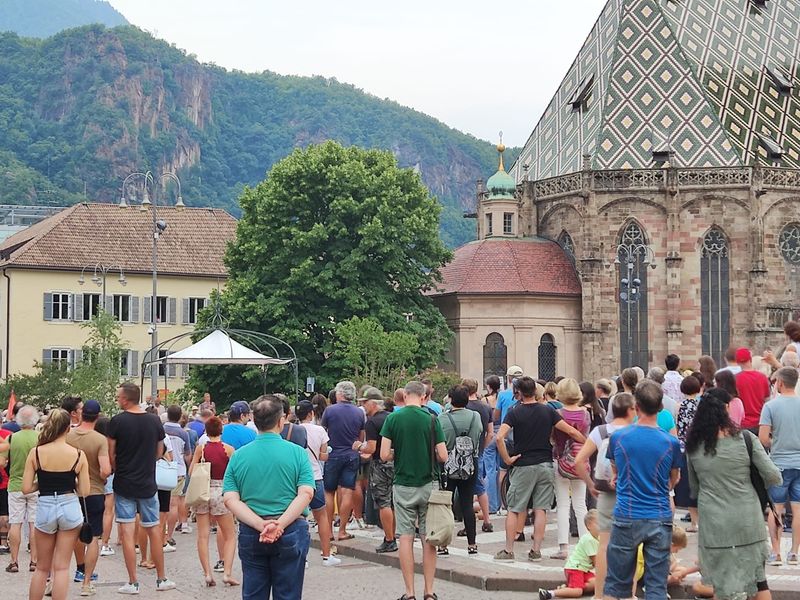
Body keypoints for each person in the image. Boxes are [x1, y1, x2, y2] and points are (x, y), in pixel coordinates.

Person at [687, 389, 781, 600]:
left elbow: (694, 488)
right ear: (727, 409)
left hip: (714, 525)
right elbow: (773, 476)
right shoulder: (745, 439)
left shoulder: (693, 447)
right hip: (747, 519)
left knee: (721, 586)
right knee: (760, 581)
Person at [223, 395, 315, 600]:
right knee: (289, 594)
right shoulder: (297, 453)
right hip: (291, 528)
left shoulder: (239, 456)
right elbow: (306, 493)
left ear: (254, 421)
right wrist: (279, 524)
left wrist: (259, 524)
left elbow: (230, 498)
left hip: (252, 530)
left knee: (253, 593)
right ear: (281, 420)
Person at [603, 380, 682, 600]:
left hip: (627, 513)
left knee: (616, 584)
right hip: (658, 514)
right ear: (660, 407)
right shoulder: (670, 442)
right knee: (656, 585)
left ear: (636, 405)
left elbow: (615, 471)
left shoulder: (619, 437)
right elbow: (674, 479)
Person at [494, 376, 586, 562]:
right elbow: (570, 431)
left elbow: (499, 437)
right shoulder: (548, 411)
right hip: (545, 463)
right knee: (541, 509)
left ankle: (508, 549)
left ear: (518, 393)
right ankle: (536, 550)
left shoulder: (514, 412)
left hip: (523, 464)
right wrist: (589, 445)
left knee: (514, 508)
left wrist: (507, 458)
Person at [380, 380, 447, 600]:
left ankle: (410, 592)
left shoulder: (393, 418)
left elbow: (383, 455)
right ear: (424, 396)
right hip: (429, 484)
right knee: (429, 539)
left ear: (405, 395)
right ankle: (429, 591)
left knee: (406, 538)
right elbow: (443, 455)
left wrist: (395, 454)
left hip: (403, 485)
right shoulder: (432, 419)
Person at [108, 382, 175, 593]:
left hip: (124, 481)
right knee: (154, 529)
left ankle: (133, 582)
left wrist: (119, 467)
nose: (117, 400)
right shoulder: (154, 420)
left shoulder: (117, 422)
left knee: (127, 532)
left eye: (119, 397)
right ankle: (161, 578)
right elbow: (159, 450)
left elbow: (111, 454)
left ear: (126, 399)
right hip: (147, 482)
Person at [22, 409, 89, 600]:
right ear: (68, 428)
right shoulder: (78, 454)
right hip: (69, 505)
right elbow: (84, 491)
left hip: (45, 505)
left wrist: (41, 483)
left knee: (42, 568)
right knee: (61, 567)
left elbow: (26, 488)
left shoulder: (36, 453)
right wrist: (72, 482)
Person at [575, 393, 635, 600]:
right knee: (632, 545)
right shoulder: (634, 432)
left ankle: (600, 595)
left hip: (606, 493)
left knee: (604, 544)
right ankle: (629, 594)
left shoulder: (600, 431)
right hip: (630, 494)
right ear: (630, 410)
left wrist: (590, 484)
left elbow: (579, 460)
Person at [66, 400, 111, 594]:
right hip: (93, 491)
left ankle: (79, 567)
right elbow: (105, 470)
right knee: (92, 536)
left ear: (81, 414)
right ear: (98, 416)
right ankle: (86, 582)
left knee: (74, 532)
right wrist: (101, 476)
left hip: (71, 490)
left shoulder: (68, 436)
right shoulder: (100, 439)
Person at [188, 416, 239, 587]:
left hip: (203, 490)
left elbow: (191, 472)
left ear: (206, 431)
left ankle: (208, 573)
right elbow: (235, 474)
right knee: (230, 535)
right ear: (221, 430)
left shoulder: (200, 449)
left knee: (202, 535)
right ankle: (227, 572)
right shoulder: (229, 449)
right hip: (221, 490)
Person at [759, 367, 800, 566]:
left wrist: (776, 441)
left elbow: (763, 438)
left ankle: (776, 552)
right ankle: (794, 552)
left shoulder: (771, 407)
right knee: (798, 510)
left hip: (779, 463)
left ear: (780, 383)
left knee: (776, 509)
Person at [437, 384, 482, 556]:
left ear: (450, 399)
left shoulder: (442, 418)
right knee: (467, 503)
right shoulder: (475, 417)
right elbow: (479, 435)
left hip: (448, 463)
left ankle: (443, 544)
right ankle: (472, 544)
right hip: (470, 462)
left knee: (445, 503)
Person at [296, 401, 340, 564]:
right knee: (321, 516)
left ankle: (302, 557)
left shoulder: (294, 431)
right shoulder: (319, 430)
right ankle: (327, 555)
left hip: (298, 479)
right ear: (311, 414)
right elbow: (324, 456)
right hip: (315, 477)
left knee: (300, 518)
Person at [552, 378, 591, 560]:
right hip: (581, 460)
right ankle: (585, 545)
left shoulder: (557, 413)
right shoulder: (585, 414)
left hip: (561, 460)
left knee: (562, 504)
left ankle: (563, 547)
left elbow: (552, 437)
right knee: (580, 504)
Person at [321, 380, 364, 541]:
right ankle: (342, 530)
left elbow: (323, 433)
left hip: (333, 454)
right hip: (351, 455)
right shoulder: (359, 412)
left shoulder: (330, 411)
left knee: (328, 491)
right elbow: (361, 437)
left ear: (340, 393)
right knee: (347, 491)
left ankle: (329, 531)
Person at [358, 393, 396, 554]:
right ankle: (393, 534)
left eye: (365, 403)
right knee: (393, 501)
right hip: (395, 462)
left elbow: (371, 448)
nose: (363, 406)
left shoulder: (372, 423)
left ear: (374, 403)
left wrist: (359, 446)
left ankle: (389, 539)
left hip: (380, 464)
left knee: (383, 501)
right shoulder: (392, 417)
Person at [6, 405, 40, 574]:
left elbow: (2, 462)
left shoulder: (12, 439)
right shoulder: (40, 438)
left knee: (15, 523)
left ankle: (14, 561)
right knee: (34, 524)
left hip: (16, 485)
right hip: (35, 485)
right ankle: (34, 561)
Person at [538, 510, 600, 599]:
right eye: (598, 524)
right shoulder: (589, 539)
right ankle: (550, 593)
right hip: (575, 568)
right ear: (589, 526)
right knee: (578, 592)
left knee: (597, 583)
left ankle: (568, 588)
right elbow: (597, 562)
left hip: (584, 570)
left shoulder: (598, 537)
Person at [494, 365, 524, 513]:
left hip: (506, 436)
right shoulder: (526, 397)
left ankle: (503, 504)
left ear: (509, 379)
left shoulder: (502, 395)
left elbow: (497, 416)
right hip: (521, 436)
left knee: (503, 471)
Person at [675, 375, 702, 532]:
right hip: (700, 446)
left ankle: (694, 522)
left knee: (689, 484)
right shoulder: (701, 405)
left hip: (685, 447)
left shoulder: (680, 406)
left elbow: (678, 427)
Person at [163, 405, 190, 552]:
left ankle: (160, 532)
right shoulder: (183, 433)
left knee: (160, 504)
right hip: (178, 470)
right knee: (173, 504)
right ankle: (168, 536)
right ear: (180, 416)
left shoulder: (161, 429)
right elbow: (187, 454)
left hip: (160, 469)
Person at [93, 417, 116, 558]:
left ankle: (90, 541)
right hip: (110, 475)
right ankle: (105, 544)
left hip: (93, 478)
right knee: (108, 511)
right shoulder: (111, 443)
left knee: (91, 512)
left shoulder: (93, 440)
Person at [735, 347, 771, 432]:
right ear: (750, 359)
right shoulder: (762, 377)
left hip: (742, 424)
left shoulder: (735, 379)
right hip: (760, 422)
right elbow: (767, 401)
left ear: (737, 362)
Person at [482, 375, 502, 513]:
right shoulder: (502, 398)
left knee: (490, 471)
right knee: (501, 470)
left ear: (489, 386)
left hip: (490, 434)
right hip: (502, 433)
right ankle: (503, 502)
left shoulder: (485, 401)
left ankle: (493, 505)